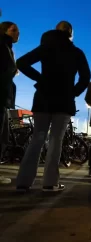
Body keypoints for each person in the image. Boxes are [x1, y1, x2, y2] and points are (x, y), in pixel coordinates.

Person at [16, 21, 91, 191]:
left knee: (37, 138)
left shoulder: (46, 47)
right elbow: (85, 76)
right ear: (70, 33)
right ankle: (50, 183)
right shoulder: (76, 52)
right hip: (63, 101)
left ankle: (23, 182)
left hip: (43, 98)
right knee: (56, 140)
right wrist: (73, 92)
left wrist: (40, 79)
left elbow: (21, 62)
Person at [0, 21, 19, 185]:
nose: (17, 33)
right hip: (1, 96)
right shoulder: (2, 45)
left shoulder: (7, 47)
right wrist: (13, 69)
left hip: (4, 98)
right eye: (13, 30)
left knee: (3, 136)